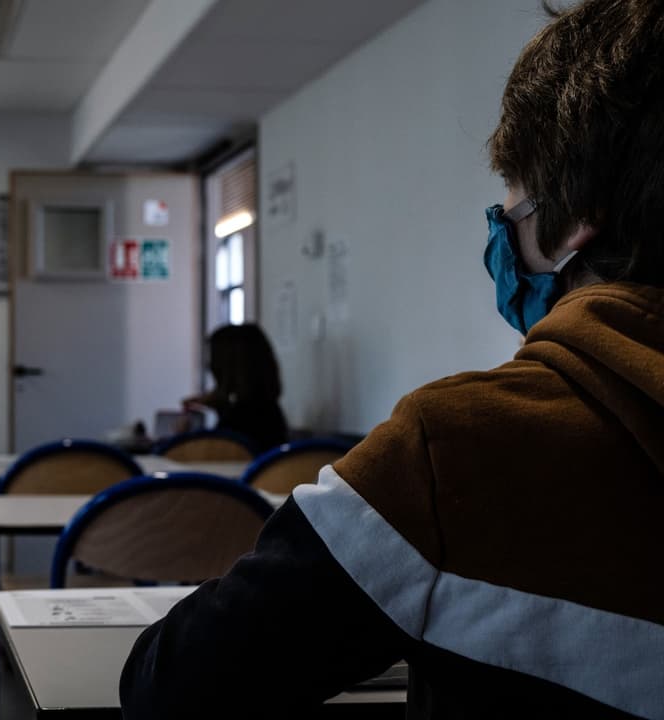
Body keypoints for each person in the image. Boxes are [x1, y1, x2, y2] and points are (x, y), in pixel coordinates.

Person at [121, 1, 663, 717]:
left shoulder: (455, 447)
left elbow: (173, 684)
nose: (502, 227)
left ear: (576, 223)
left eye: (514, 201)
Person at [182, 324, 288, 453]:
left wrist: (182, 435)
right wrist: (221, 408)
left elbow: (212, 456)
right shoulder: (271, 412)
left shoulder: (236, 421)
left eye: (214, 358)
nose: (209, 365)